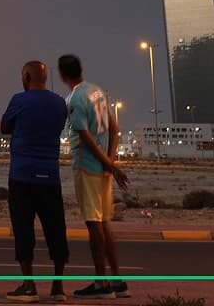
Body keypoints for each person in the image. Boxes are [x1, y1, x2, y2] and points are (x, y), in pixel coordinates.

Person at [58, 53, 131, 299]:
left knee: (94, 224)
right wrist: (110, 163)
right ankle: (117, 279)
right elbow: (115, 127)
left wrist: (107, 163)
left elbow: (85, 137)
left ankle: (101, 283)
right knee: (105, 222)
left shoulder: (75, 98)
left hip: (87, 167)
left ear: (62, 75)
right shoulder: (97, 91)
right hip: (102, 169)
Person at [0, 61, 70, 303]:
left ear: (26, 77)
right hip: (50, 176)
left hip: (22, 176)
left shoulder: (19, 100)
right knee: (56, 230)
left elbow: (4, 127)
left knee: (23, 230)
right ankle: (58, 287)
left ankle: (29, 286)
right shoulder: (60, 102)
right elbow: (59, 127)